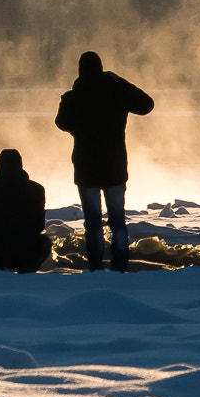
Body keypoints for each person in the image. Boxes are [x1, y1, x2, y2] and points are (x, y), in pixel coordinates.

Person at [54, 51, 154, 273]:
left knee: (92, 222)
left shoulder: (73, 97)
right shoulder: (116, 93)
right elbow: (147, 104)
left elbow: (61, 122)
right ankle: (119, 266)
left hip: (86, 168)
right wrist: (119, 81)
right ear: (102, 69)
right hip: (115, 167)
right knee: (118, 220)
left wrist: (78, 127)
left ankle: (95, 268)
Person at [0, 148, 49, 272]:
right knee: (44, 241)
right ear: (21, 165)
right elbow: (39, 226)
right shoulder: (37, 189)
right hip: (27, 252)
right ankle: (27, 271)